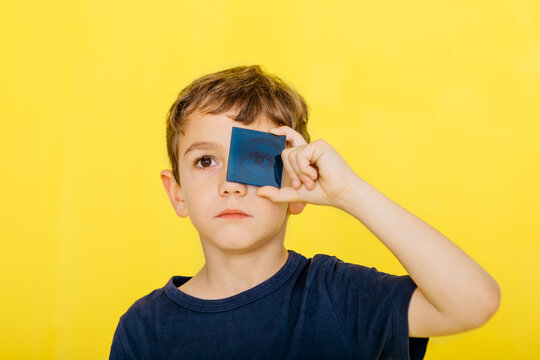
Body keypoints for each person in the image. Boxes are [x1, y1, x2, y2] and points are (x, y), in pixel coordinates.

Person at [109, 65, 501, 360]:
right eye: (206, 161)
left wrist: (349, 192)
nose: (230, 184)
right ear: (176, 193)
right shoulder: (145, 327)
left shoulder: (340, 295)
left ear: (297, 188)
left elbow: (474, 302)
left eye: (255, 160)